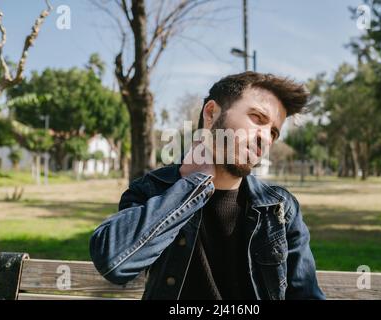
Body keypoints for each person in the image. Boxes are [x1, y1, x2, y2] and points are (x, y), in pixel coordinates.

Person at [89, 71, 325, 300]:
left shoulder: (280, 208)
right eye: (257, 118)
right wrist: (193, 185)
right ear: (211, 114)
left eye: (273, 131)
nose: (265, 137)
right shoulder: (152, 190)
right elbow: (113, 263)